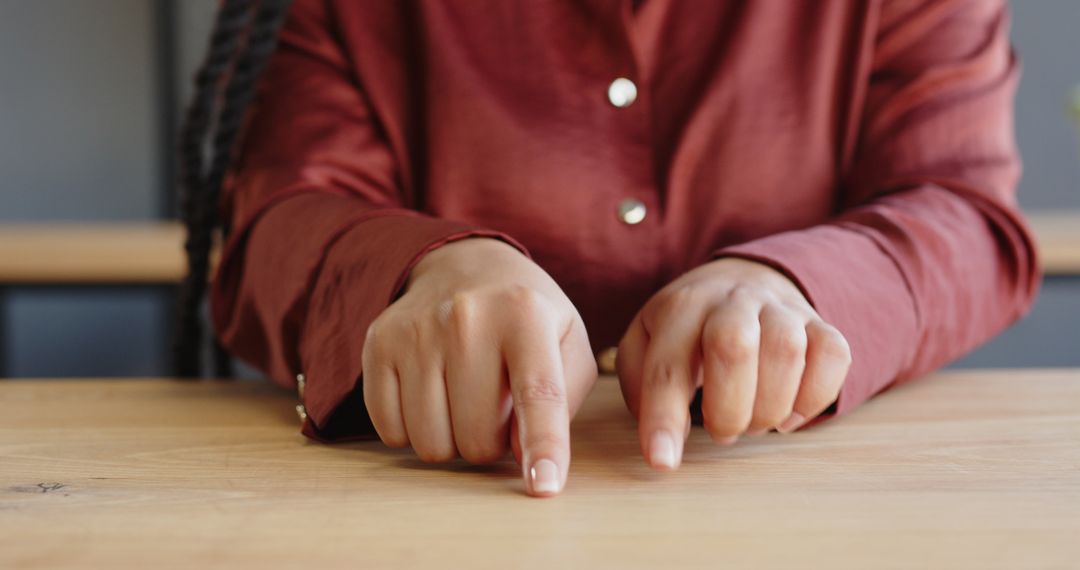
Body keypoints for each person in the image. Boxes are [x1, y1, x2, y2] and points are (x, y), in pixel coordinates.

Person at [177, 0, 1039, 497]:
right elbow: (274, 218)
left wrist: (793, 281)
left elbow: (962, 208)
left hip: (809, 509)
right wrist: (422, 266)